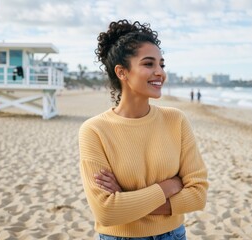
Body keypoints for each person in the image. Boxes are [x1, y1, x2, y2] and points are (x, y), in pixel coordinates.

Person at [79, 20, 208, 240]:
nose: (160, 73)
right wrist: (169, 186)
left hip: (173, 235)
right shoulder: (94, 130)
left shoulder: (175, 120)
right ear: (122, 72)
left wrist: (128, 198)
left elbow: (198, 196)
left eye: (162, 64)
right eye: (149, 64)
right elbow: (107, 211)